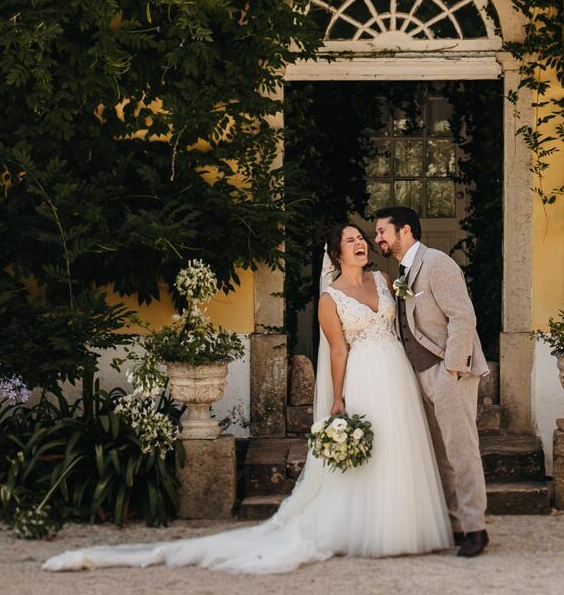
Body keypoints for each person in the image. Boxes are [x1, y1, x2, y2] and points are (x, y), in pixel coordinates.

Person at [45, 222, 452, 575]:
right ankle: (365, 529)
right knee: (369, 453)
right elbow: (339, 350)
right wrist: (338, 399)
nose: (360, 243)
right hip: (363, 377)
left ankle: (402, 525)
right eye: (350, 240)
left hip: (395, 373)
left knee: (399, 449)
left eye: (361, 237)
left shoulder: (382, 282)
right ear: (335, 253)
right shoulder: (331, 299)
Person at [373, 204, 491, 559]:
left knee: (462, 450)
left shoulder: (437, 263)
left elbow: (462, 316)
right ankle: (454, 524)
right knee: (439, 454)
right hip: (419, 373)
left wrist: (453, 368)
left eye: (382, 231)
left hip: (446, 371)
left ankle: (476, 529)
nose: (377, 237)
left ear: (404, 231)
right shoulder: (403, 270)